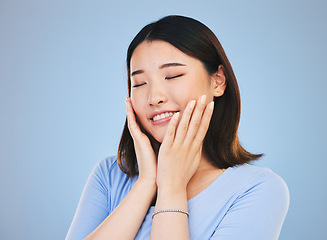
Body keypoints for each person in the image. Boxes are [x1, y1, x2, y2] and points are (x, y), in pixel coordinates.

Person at [66, 15, 289, 240]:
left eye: (173, 76)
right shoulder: (109, 175)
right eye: (140, 83)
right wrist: (146, 184)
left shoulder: (258, 189)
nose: (154, 97)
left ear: (218, 80)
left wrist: (171, 187)